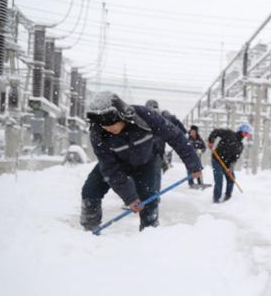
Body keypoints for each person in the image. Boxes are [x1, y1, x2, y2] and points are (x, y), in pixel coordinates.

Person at [80, 92, 202, 231]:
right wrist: (130, 198)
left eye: (112, 124)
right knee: (90, 190)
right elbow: (109, 168)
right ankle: (89, 230)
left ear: (122, 115)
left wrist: (194, 164)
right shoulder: (97, 133)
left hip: (147, 162)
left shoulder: (144, 116)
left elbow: (175, 137)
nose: (108, 129)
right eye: (104, 126)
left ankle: (149, 233)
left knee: (149, 201)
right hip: (117, 163)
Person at [207, 124, 251, 203]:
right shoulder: (229, 134)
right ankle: (216, 199)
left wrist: (231, 168)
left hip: (226, 163)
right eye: (245, 133)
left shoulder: (240, 145)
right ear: (240, 131)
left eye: (247, 134)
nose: (245, 136)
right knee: (219, 179)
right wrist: (211, 141)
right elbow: (216, 132)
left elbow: (234, 158)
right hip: (217, 159)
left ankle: (227, 198)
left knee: (231, 178)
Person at [145, 99, 186, 171]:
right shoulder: (164, 117)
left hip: (145, 154)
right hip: (156, 153)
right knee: (154, 176)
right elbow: (181, 130)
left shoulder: (142, 116)